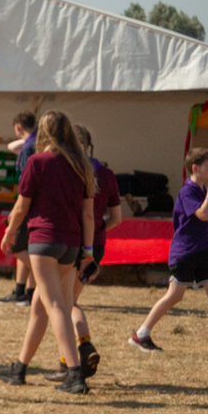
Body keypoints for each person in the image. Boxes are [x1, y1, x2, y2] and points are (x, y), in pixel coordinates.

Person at [0, 111, 98, 393]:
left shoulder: (37, 162)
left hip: (44, 240)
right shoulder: (81, 166)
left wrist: (9, 231)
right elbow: (88, 215)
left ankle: (75, 374)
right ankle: (19, 368)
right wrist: (87, 251)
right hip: (72, 243)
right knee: (42, 306)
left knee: (55, 308)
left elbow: (21, 206)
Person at [129, 149, 208, 357]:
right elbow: (201, 214)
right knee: (174, 296)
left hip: (202, 252)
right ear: (195, 168)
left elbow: (203, 216)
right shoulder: (188, 191)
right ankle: (141, 334)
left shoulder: (200, 191)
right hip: (186, 252)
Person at [37, 125, 126, 379]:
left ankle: (72, 359)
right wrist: (99, 229)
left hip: (70, 241)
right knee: (69, 303)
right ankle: (80, 348)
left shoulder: (67, 170)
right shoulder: (106, 173)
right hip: (95, 244)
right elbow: (117, 218)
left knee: (63, 306)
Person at [0, 111, 39, 305]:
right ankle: (24, 291)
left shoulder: (30, 146)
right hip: (35, 203)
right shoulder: (38, 143)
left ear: (17, 127)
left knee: (16, 245)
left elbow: (25, 182)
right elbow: (12, 146)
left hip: (27, 201)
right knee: (26, 247)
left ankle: (45, 275)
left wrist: (17, 208)